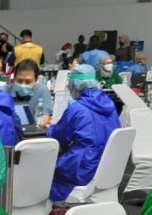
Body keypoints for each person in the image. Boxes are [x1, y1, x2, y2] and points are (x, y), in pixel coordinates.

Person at [45, 65, 120, 202]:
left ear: (74, 85)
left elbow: (58, 136)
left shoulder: (77, 109)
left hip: (82, 170)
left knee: (46, 170)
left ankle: (50, 209)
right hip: (106, 168)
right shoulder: (110, 105)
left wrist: (50, 128)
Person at [11, 59, 53, 126]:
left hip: (34, 130)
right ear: (14, 78)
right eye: (19, 81)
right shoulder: (5, 92)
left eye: (28, 82)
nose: (23, 85)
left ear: (36, 80)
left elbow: (44, 119)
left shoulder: (42, 90)